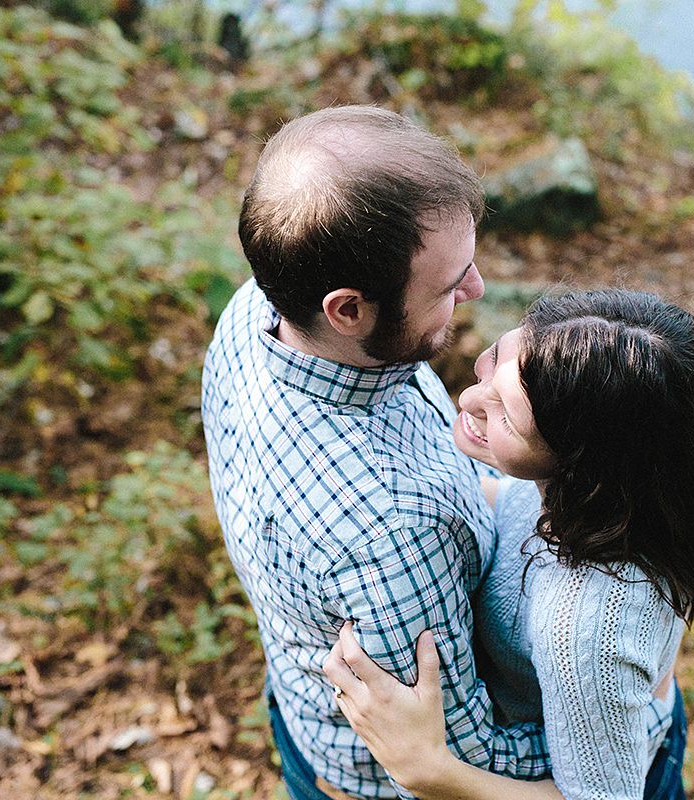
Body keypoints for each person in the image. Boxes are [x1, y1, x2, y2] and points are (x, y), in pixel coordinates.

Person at [201, 106, 553, 800]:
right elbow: (466, 753)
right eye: (450, 284)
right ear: (348, 311)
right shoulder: (391, 533)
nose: (476, 290)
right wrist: (631, 717)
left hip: (303, 712)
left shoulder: (258, 309)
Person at [323, 289, 694, 800]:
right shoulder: (626, 497)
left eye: (507, 416)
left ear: (584, 467)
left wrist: (431, 770)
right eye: (492, 364)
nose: (468, 399)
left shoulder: (583, 623)